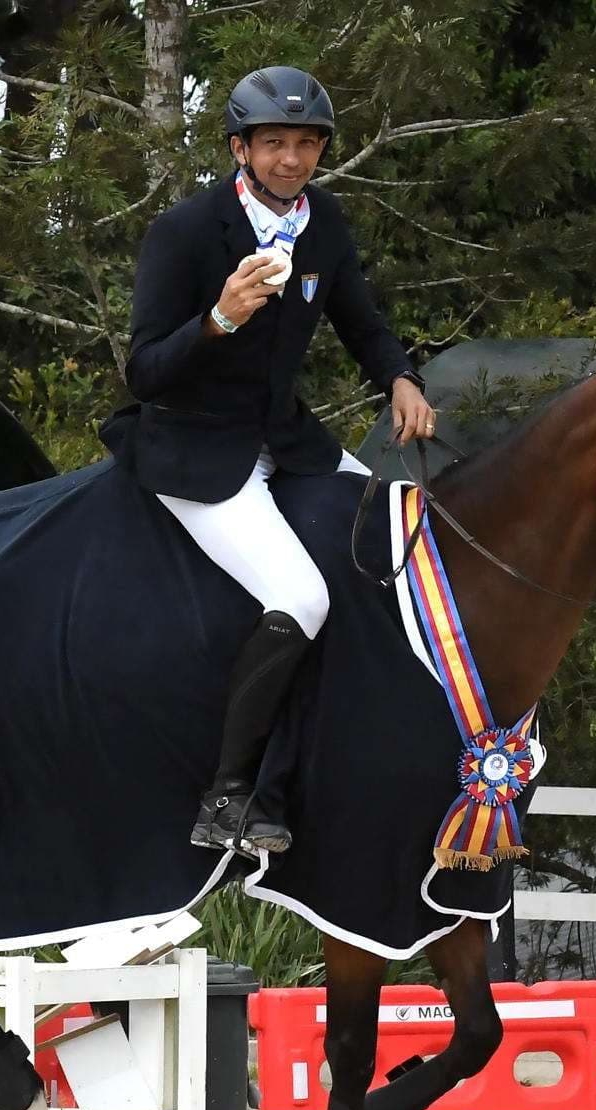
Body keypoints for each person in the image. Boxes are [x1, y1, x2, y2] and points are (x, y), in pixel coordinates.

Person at [108, 64, 438, 855]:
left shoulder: (321, 225)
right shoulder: (185, 232)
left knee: (403, 531)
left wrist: (400, 377)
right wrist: (217, 320)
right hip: (194, 451)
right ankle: (227, 798)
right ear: (241, 148)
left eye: (306, 145)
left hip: (287, 441)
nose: (291, 160)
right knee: (303, 595)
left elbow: (362, 321)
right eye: (275, 144)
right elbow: (144, 370)